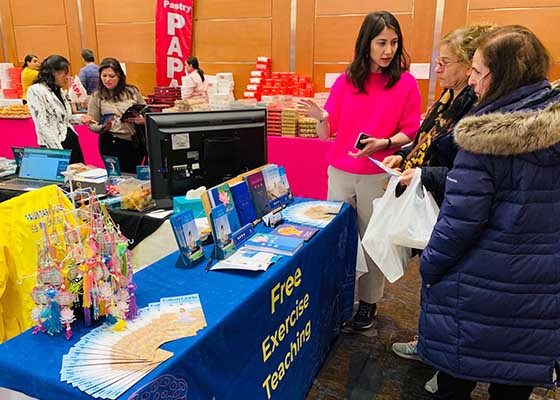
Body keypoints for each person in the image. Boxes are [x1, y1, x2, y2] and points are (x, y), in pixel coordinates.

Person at [417, 25, 560, 399]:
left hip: (478, 287)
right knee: (513, 383)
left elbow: (459, 224)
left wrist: (429, 266)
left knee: (455, 379)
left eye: (479, 72)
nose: (474, 83)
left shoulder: (483, 138)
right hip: (540, 290)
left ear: (503, 77)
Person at [297, 11, 421, 331]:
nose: (388, 50)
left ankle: (368, 302)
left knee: (371, 241)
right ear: (366, 44)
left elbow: (410, 131)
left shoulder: (405, 83)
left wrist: (384, 142)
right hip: (340, 172)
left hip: (378, 174)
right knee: (336, 237)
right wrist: (321, 117)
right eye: (381, 42)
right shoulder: (346, 81)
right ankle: (338, 294)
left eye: (394, 43)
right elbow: (327, 132)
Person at [386, 24, 495, 363]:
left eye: (445, 63)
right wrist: (404, 157)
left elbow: (470, 174)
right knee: (433, 282)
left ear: (468, 66)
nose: (437, 69)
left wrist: (421, 173)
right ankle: (431, 345)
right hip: (435, 199)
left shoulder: (476, 108)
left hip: (452, 207)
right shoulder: (449, 99)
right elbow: (426, 140)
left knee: (447, 287)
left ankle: (441, 357)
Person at [83, 57, 146, 173]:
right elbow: (92, 123)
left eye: (112, 76)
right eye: (104, 76)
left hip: (134, 142)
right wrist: (102, 127)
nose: (107, 80)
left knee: (133, 177)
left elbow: (146, 112)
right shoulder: (97, 96)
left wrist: (141, 119)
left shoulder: (132, 91)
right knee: (115, 178)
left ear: (119, 76)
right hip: (111, 142)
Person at [26, 55, 85, 164]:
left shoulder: (58, 90)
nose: (66, 77)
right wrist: (59, 152)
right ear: (54, 73)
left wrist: (81, 118)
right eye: (65, 74)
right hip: (54, 146)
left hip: (71, 142)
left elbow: (64, 118)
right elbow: (42, 124)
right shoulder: (36, 91)